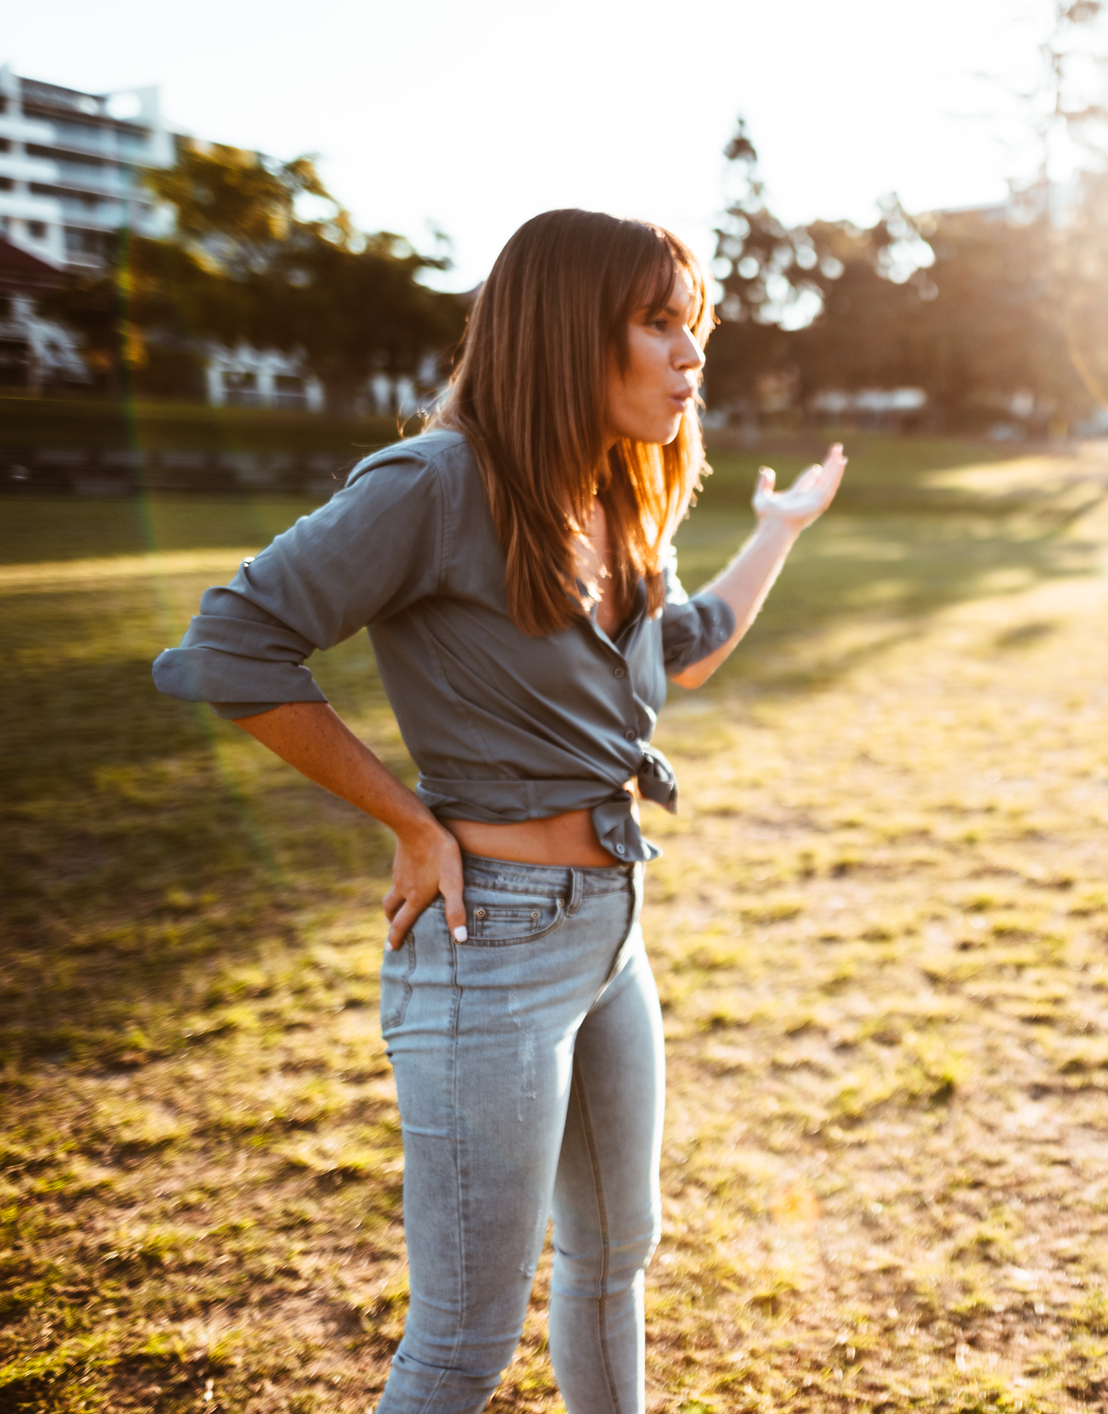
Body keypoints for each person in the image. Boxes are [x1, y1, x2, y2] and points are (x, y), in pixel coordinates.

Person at [151, 208, 844, 1413]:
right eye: (659, 325)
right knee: (465, 1346)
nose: (692, 356)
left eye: (698, 329)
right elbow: (231, 646)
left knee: (613, 1261)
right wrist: (408, 820)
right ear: (568, 332)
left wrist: (774, 535)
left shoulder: (618, 494)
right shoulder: (434, 485)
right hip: (491, 951)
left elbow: (682, 649)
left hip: (612, 934)